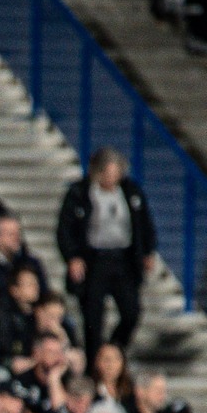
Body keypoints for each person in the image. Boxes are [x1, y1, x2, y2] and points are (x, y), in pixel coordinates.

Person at [55, 147, 156, 353]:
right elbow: (65, 229)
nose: (113, 177)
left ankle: (112, 353)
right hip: (94, 260)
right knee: (93, 318)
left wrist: (148, 251)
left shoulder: (131, 191)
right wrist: (72, 257)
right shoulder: (79, 193)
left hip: (123, 259)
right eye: (108, 172)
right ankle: (94, 362)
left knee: (131, 313)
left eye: (116, 172)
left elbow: (144, 223)